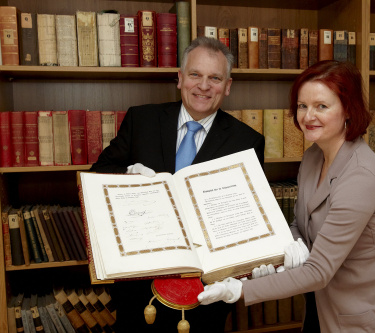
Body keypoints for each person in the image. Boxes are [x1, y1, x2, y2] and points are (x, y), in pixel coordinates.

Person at [198, 60, 375, 332]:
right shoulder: (313, 156)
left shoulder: (362, 176)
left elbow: (318, 271)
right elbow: (300, 226)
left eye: (322, 106)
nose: (308, 116)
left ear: (348, 110)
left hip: (359, 316)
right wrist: (280, 255)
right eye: (302, 106)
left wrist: (239, 289)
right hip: (319, 305)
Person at [90, 36, 265, 332]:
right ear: (180, 78)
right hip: (139, 288)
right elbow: (98, 175)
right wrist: (128, 177)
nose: (204, 85)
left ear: (228, 86)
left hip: (206, 294)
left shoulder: (247, 142)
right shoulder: (141, 119)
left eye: (215, 78)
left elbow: (251, 218)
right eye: (195, 74)